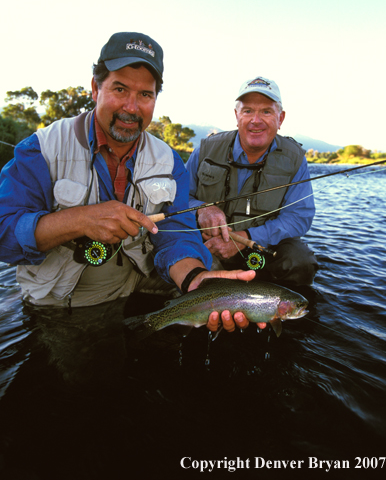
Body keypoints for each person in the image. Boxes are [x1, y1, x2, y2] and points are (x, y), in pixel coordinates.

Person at [0, 32, 255, 333]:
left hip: (140, 274)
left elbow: (176, 232)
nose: (132, 107)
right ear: (95, 88)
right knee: (87, 372)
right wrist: (78, 220)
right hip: (66, 295)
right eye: (120, 89)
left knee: (214, 283)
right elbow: (4, 233)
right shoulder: (41, 149)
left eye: (145, 95)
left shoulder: (170, 160)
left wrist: (193, 278)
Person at [186, 76, 318, 290]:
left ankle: (282, 315)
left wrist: (245, 238)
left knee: (300, 262)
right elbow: (177, 199)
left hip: (258, 248)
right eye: (248, 111)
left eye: (266, 111)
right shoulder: (206, 149)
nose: (256, 120)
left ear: (280, 118)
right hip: (206, 245)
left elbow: (299, 218)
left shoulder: (295, 158)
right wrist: (201, 210)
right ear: (236, 115)